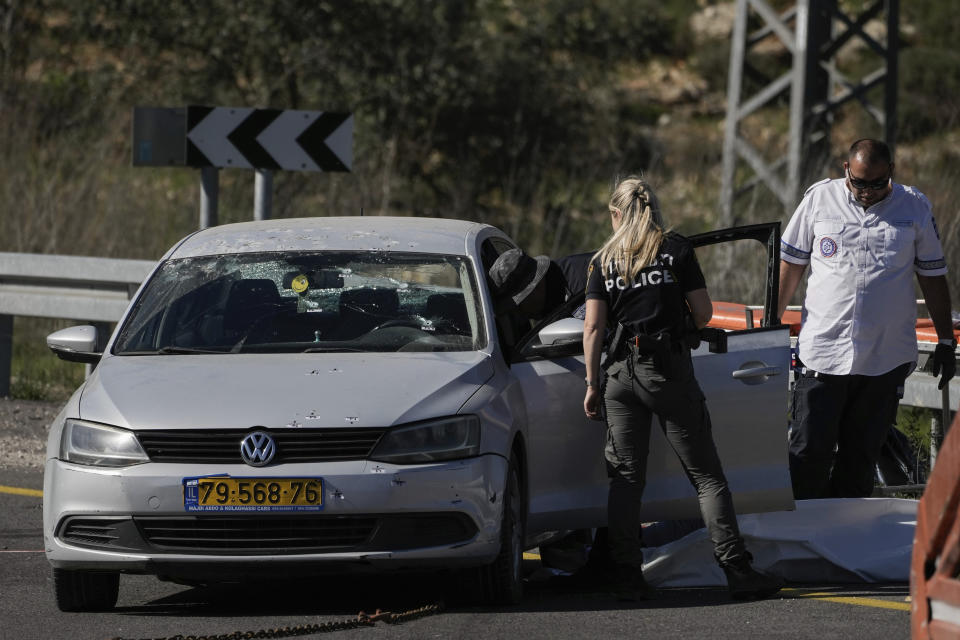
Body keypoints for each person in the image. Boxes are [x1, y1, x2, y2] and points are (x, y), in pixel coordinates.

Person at [582, 176, 781, 601]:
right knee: (707, 478)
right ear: (653, 208)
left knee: (626, 480)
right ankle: (737, 571)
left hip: (619, 375)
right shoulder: (676, 250)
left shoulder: (603, 261)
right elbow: (705, 313)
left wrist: (591, 384)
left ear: (617, 214)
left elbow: (594, 327)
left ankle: (626, 576)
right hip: (667, 371)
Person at [778, 139, 956, 500]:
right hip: (823, 355)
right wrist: (767, 326)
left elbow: (933, 276)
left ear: (891, 172)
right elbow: (790, 266)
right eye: (859, 182)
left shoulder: (914, 207)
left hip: (883, 358)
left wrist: (945, 338)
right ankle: (800, 543)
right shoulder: (818, 200)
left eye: (876, 184)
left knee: (859, 463)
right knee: (807, 456)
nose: (866, 192)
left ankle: (845, 545)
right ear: (846, 169)